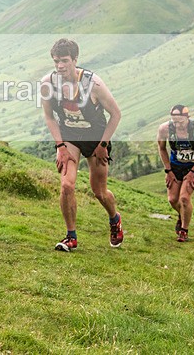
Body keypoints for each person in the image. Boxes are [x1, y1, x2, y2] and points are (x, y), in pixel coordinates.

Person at [40, 39, 123, 251]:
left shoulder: (93, 84)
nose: (60, 66)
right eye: (56, 61)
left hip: (96, 138)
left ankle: (114, 219)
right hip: (69, 137)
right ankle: (71, 236)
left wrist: (103, 144)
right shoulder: (48, 84)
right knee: (67, 185)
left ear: (75, 60)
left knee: (99, 192)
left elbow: (116, 114)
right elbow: (49, 117)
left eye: (65, 61)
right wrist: (60, 146)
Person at [157, 105, 194, 242]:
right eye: (175, 122)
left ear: (187, 117)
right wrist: (168, 171)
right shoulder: (164, 129)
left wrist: (193, 172)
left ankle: (184, 230)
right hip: (175, 165)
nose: (178, 125)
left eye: (181, 122)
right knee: (172, 199)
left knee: (185, 199)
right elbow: (162, 149)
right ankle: (182, 215)